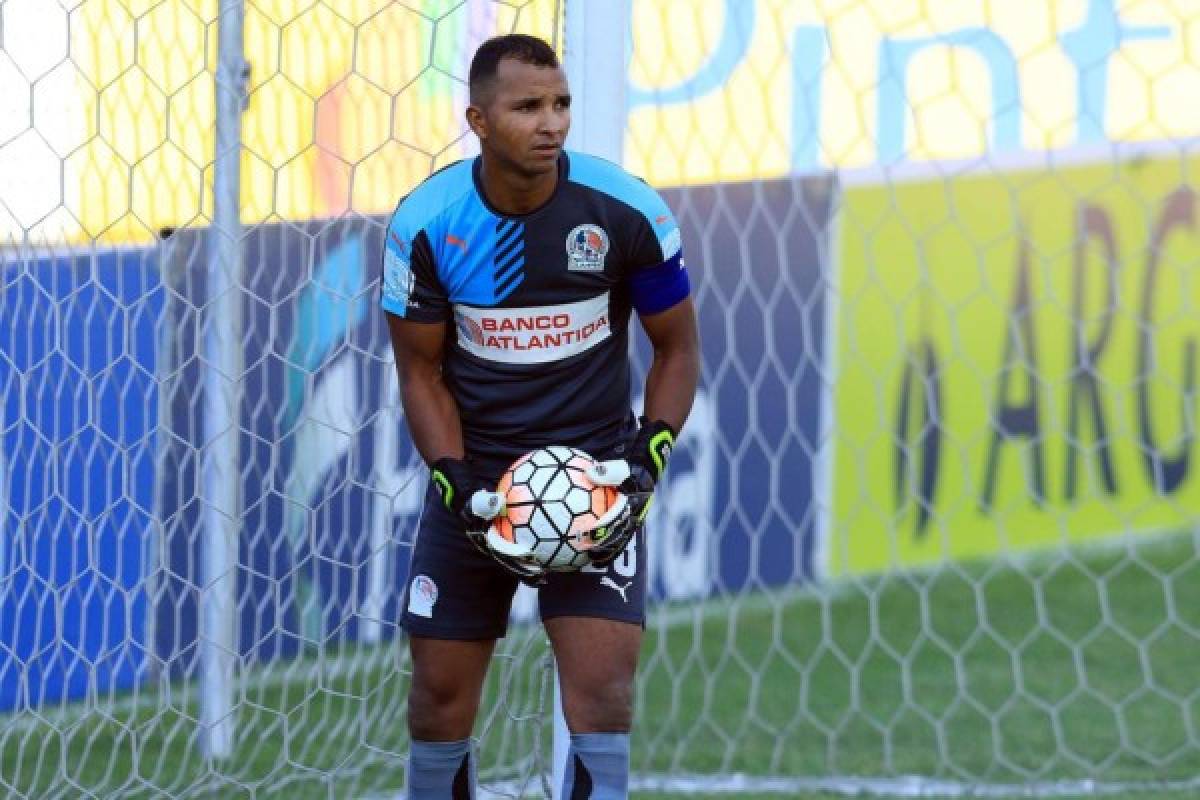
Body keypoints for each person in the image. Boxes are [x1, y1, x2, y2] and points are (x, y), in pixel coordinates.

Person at [381, 33, 700, 799]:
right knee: (437, 701)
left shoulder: (624, 211)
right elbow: (420, 370)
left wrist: (645, 460)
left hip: (594, 482)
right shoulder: (427, 223)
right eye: (527, 106)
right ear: (479, 120)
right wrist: (454, 478)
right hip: (479, 479)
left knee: (603, 697)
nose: (551, 122)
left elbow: (678, 351)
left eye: (560, 104)